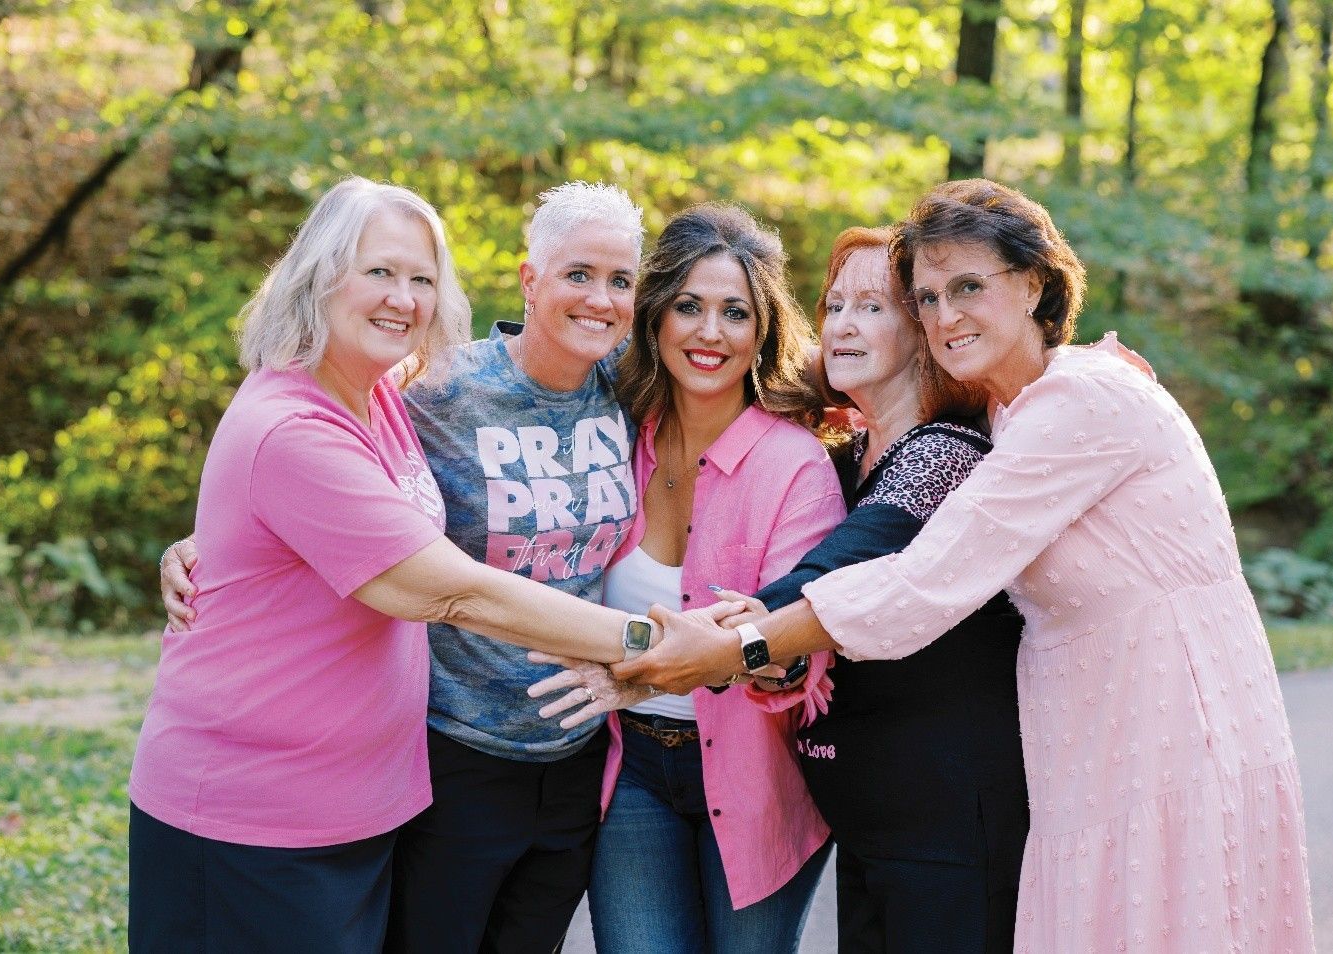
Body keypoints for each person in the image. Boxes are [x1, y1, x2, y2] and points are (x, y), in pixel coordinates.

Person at [617, 179, 1317, 953]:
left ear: (1036, 284)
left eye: (968, 288)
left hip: (1171, 726)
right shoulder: (1006, 409)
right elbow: (811, 357)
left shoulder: (1078, 404)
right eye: (927, 297)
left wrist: (739, 646)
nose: (945, 314)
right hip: (1082, 741)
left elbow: (921, 585)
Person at [132, 177, 691, 953]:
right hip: (264, 803)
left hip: (378, 795)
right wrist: (657, 644)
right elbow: (449, 591)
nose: (403, 298)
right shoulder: (353, 410)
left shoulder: (383, 400)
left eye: (421, 279)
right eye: (380, 272)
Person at [529, 204, 842, 953]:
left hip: (757, 780)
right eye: (688, 307)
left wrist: (754, 653)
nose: (710, 332)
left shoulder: (795, 465)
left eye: (735, 312)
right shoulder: (615, 435)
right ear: (655, 316)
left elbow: (794, 646)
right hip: (632, 769)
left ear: (762, 331)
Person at [740, 225, 1028, 952]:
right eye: (834, 305)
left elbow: (834, 572)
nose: (841, 325)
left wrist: (729, 637)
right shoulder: (845, 455)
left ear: (926, 329)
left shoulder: (949, 455)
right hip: (872, 821)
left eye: (871, 307)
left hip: (947, 827)